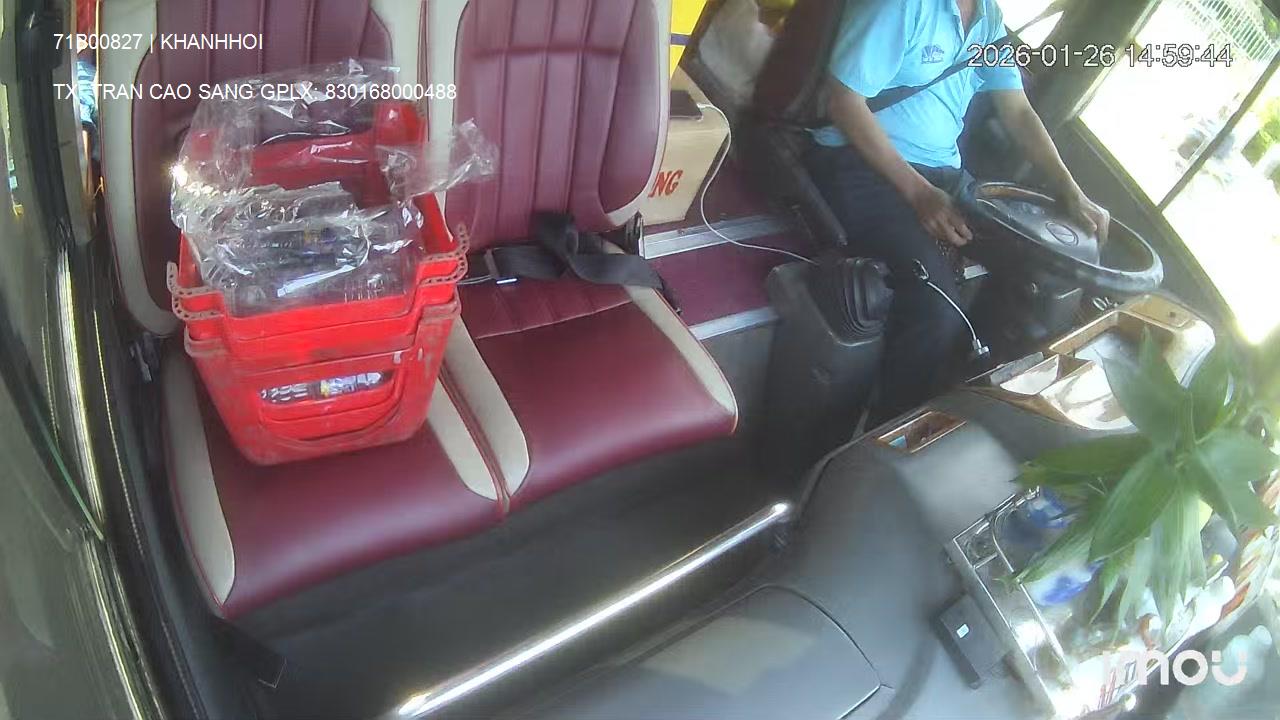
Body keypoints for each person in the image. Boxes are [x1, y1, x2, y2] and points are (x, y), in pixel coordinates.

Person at [806, 0, 1110, 422]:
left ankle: (983, 405)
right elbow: (844, 101)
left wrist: (1069, 187)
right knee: (937, 309)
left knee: (1040, 270)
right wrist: (918, 193)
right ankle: (892, 428)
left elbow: (1018, 110)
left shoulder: (988, 19)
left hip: (943, 174)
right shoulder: (903, 7)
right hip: (858, 163)